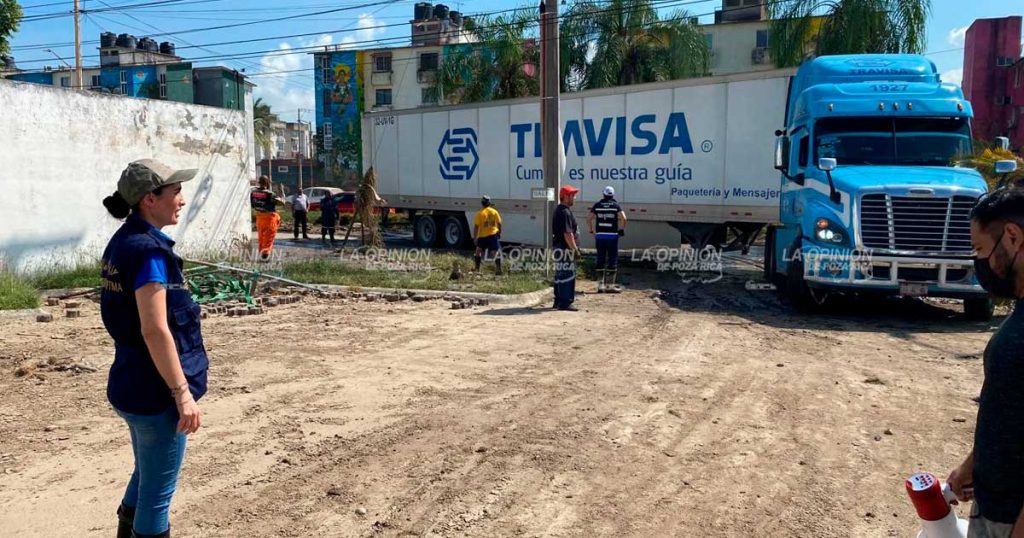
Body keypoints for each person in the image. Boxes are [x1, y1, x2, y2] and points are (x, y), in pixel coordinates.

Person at [100, 159, 209, 538]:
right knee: (157, 497)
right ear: (150, 199)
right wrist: (182, 395)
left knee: (146, 472)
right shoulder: (148, 254)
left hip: (129, 384)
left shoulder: (123, 242)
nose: (181, 199)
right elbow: (155, 330)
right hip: (154, 393)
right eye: (175, 191)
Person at [948, 187, 1024, 538]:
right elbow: (1010, 407)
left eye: (980, 249)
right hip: (995, 507)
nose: (980, 263)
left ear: (1012, 236)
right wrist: (973, 464)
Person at [588, 186, 627, 293]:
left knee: (600, 259)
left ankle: (600, 286)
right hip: (612, 237)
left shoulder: (597, 205)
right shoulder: (615, 205)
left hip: (600, 237)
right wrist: (621, 229)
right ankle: (610, 286)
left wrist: (592, 231)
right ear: (612, 195)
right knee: (612, 260)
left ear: (603, 194)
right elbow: (624, 218)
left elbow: (589, 219)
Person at [552, 185, 581, 311]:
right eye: (571, 196)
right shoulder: (565, 212)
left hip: (559, 248)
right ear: (564, 197)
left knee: (560, 275)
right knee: (567, 275)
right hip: (565, 249)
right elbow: (568, 234)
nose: (574, 198)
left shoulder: (560, 210)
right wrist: (574, 250)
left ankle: (558, 301)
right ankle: (566, 302)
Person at [250, 175, 282, 261]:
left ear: (259, 182)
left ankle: (262, 254)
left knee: (261, 237)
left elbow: (253, 204)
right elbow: (281, 203)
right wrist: (281, 195)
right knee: (268, 238)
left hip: (259, 217)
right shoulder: (270, 194)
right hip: (270, 218)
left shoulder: (253, 193)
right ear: (267, 183)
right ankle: (265, 256)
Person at [473, 195, 503, 274]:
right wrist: (499, 232)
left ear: (482, 203)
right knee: (494, 253)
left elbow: (476, 227)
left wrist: (475, 238)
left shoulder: (479, 214)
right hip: (493, 235)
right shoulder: (494, 212)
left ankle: (477, 269)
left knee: (478, 252)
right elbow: (499, 223)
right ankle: (498, 269)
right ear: (489, 203)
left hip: (482, 237)